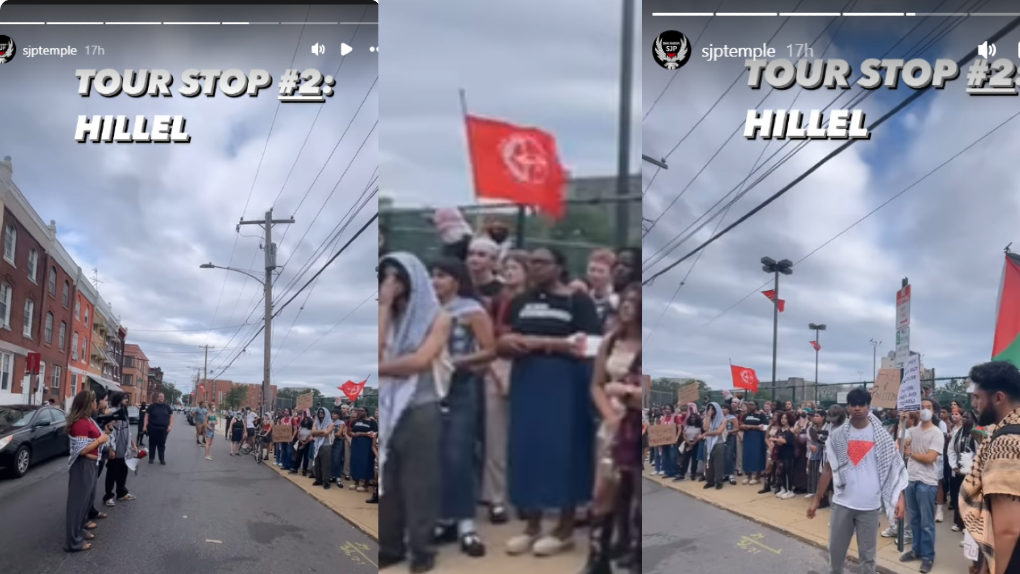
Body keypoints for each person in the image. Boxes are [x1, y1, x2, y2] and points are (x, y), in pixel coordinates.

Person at [500, 247, 601, 558]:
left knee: (565, 451)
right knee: (528, 450)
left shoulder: (577, 301)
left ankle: (565, 529)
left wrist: (543, 343)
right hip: (527, 383)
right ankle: (532, 527)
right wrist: (506, 344)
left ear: (560, 267)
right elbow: (502, 339)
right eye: (531, 263)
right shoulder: (519, 302)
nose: (534, 267)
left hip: (567, 385)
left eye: (542, 262)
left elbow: (593, 345)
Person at [378, 252, 451, 572]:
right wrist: (382, 305)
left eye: (397, 277)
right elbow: (377, 349)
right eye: (385, 277)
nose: (390, 283)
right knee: (388, 482)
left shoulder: (438, 317)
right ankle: (391, 546)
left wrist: (382, 368)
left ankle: (422, 551)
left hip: (421, 408)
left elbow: (421, 362)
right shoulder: (385, 316)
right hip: (388, 408)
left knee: (420, 484)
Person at [430, 257, 496, 557]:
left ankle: (467, 526)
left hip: (461, 389)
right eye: (433, 276)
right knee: (438, 458)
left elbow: (490, 351)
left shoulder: (472, 311)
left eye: (441, 275)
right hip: (431, 390)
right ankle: (444, 519)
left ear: (456, 279)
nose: (435, 281)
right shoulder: (428, 311)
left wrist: (457, 363)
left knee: (460, 456)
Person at [807, 388, 907, 574]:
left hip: (869, 506)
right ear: (848, 408)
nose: (857, 408)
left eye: (862, 404)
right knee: (836, 552)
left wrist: (899, 497)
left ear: (869, 407)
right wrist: (816, 499)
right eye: (853, 404)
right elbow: (828, 469)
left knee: (867, 556)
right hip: (842, 503)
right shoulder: (838, 436)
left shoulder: (882, 436)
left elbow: (893, 469)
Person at [961, 361, 1020, 574]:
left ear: (998, 398)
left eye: (977, 397)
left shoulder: (1006, 442)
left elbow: (1007, 530)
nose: (973, 403)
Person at [65, 390, 110, 553]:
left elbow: (97, 439)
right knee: (77, 504)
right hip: (83, 465)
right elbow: (82, 450)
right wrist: (100, 440)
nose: (96, 404)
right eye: (94, 401)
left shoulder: (89, 420)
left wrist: (105, 434)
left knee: (86, 501)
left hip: (92, 464)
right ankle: (72, 542)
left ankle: (80, 530)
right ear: (87, 404)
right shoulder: (80, 423)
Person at [102, 391, 137, 507]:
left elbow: (128, 430)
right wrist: (112, 448)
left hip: (124, 449)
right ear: (118, 399)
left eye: (127, 398)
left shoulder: (124, 412)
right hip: (115, 448)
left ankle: (121, 493)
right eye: (124, 398)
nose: (127, 400)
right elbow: (109, 431)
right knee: (112, 472)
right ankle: (108, 496)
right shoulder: (112, 412)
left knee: (123, 472)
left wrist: (133, 444)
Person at [143, 392, 173, 465]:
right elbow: (146, 415)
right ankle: (151, 458)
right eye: (160, 397)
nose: (162, 398)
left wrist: (170, 426)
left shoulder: (167, 407)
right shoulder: (152, 406)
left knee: (162, 444)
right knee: (152, 443)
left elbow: (171, 416)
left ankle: (162, 459)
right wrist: (145, 426)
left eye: (163, 397)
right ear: (157, 398)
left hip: (163, 429)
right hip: (153, 427)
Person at [310, 407, 334, 490]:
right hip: (317, 445)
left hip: (326, 446)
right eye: (319, 412)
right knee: (317, 464)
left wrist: (318, 432)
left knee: (325, 465)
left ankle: (326, 482)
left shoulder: (330, 423)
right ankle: (318, 480)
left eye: (322, 412)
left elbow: (327, 433)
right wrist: (322, 431)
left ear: (325, 413)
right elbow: (312, 432)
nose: (320, 413)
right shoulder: (316, 422)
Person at [330, 409, 346, 487]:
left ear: (339, 415)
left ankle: (338, 478)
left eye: (335, 414)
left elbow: (339, 433)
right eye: (332, 414)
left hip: (337, 442)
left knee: (337, 460)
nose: (333, 415)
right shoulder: (330, 422)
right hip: (330, 442)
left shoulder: (341, 422)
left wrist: (329, 433)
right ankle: (333, 476)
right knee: (331, 460)